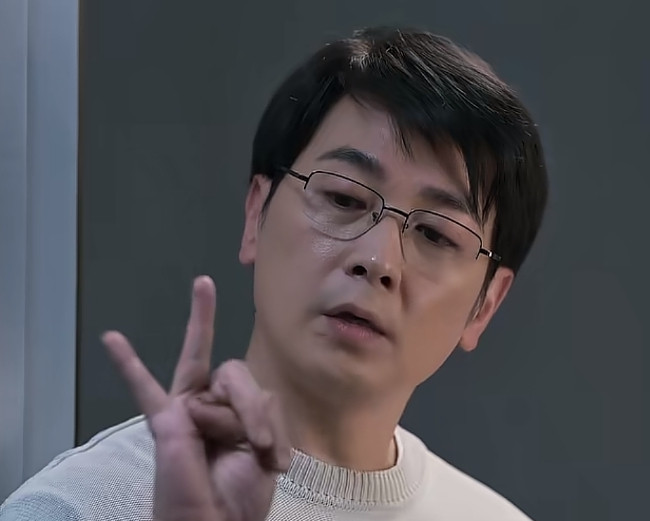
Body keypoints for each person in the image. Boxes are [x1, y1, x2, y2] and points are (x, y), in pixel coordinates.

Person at [0, 25, 548, 520]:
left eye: (435, 234)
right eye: (343, 198)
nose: (378, 260)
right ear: (255, 214)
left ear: (485, 305)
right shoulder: (76, 506)